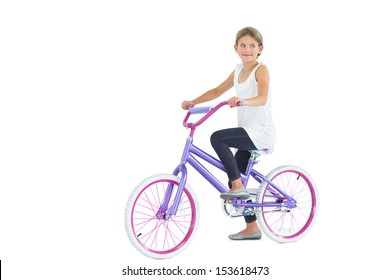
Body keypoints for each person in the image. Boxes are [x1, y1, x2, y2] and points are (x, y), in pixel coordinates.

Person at [181, 27, 276, 240]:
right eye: (243, 45)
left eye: (252, 46)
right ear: (235, 48)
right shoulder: (237, 71)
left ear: (260, 49)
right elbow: (217, 91)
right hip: (247, 131)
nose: (247, 49)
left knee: (218, 138)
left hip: (261, 131)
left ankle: (237, 187)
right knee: (234, 174)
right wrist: (193, 102)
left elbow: (262, 97)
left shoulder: (261, 70)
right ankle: (252, 227)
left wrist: (243, 101)